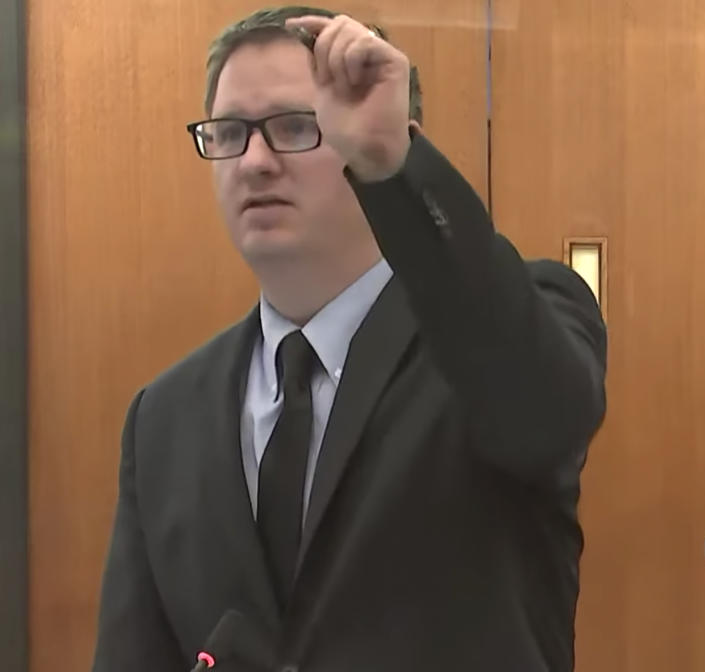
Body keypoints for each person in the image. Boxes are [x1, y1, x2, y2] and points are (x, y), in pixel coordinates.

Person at [91, 6, 606, 672]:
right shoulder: (163, 417)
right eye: (229, 133)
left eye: (294, 128)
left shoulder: (501, 331)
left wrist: (398, 169)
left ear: (384, 140)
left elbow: (547, 415)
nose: (254, 162)